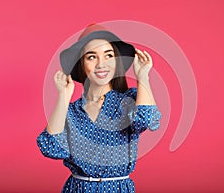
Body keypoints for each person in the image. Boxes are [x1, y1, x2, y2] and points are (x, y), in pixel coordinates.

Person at [37, 23, 162, 193]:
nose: (101, 64)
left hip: (117, 189)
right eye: (91, 57)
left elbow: (147, 119)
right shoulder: (72, 112)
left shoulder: (129, 101)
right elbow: (51, 147)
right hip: (78, 188)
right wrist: (63, 97)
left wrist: (143, 77)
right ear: (82, 64)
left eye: (108, 56)